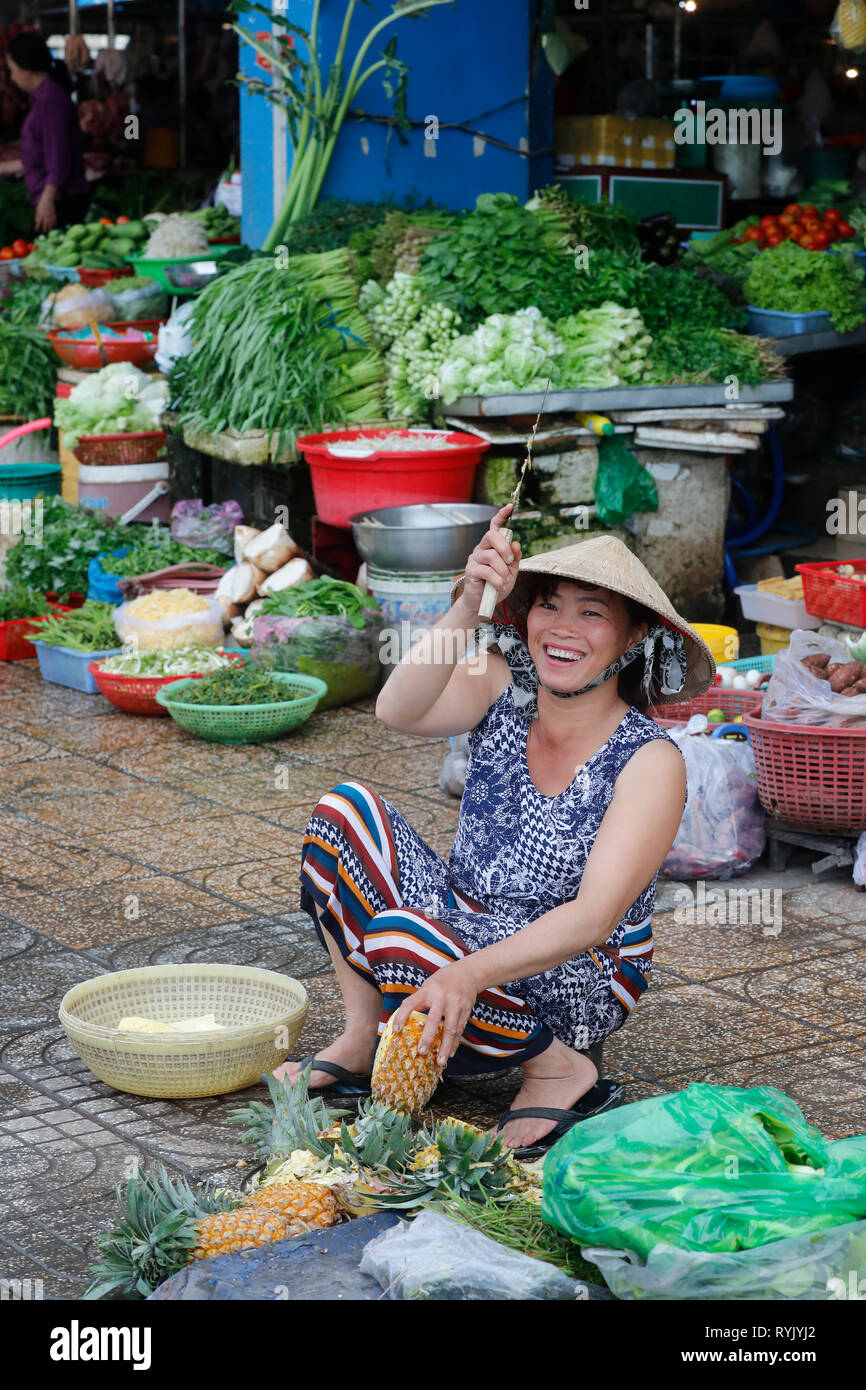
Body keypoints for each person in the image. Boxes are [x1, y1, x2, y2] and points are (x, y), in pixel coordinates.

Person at [279, 508, 714, 1156]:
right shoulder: (503, 682)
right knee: (344, 813)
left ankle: (558, 1066)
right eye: (549, 607)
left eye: (591, 613)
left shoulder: (650, 760)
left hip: (576, 969)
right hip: (461, 919)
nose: (562, 630)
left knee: (404, 938)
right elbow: (395, 710)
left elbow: (594, 918)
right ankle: (361, 1036)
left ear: (632, 639)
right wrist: (469, 606)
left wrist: (466, 973)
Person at [7, 32, 89, 233]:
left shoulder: (50, 99)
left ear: (25, 68)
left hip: (62, 200)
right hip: (55, 197)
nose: (12, 77)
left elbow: (58, 152)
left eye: (12, 69)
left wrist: (48, 197)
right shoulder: (43, 97)